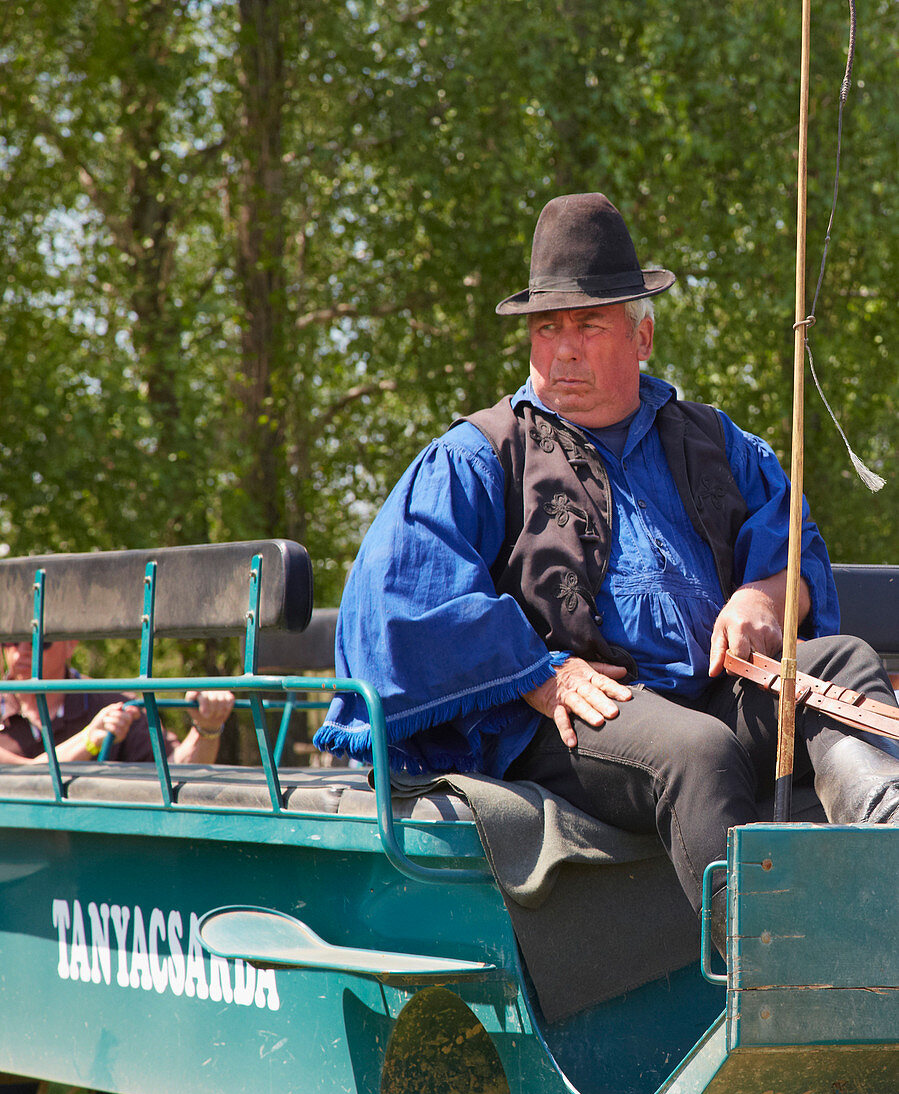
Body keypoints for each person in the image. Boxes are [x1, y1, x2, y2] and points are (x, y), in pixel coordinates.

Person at [314, 191, 899, 924]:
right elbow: (396, 601)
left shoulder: (717, 442)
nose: (563, 348)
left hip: (718, 692)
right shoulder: (476, 456)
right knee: (697, 753)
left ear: (642, 337)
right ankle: (774, 977)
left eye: (588, 325)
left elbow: (791, 543)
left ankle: (888, 888)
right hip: (578, 717)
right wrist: (536, 676)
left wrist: (763, 597)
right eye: (546, 327)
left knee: (840, 665)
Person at [0, 639, 233, 764]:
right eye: (10, 640)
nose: (20, 652)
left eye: (40, 641)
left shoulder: (115, 703)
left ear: (71, 644)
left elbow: (175, 771)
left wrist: (206, 728)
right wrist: (91, 740)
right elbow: (31, 774)